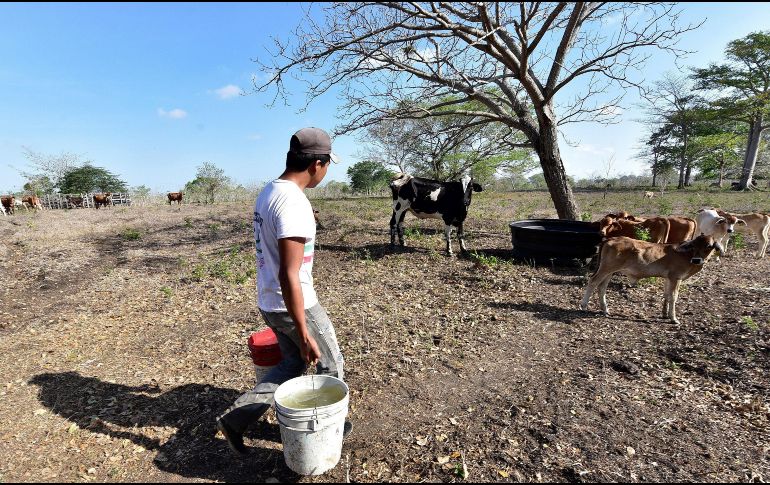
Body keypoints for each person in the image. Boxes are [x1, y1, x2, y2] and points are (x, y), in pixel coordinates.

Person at [216, 127, 351, 455]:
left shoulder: (270, 191)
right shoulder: (293, 203)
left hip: (270, 301)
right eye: (327, 165)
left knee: (292, 364)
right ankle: (322, 429)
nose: (326, 172)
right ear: (317, 164)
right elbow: (289, 274)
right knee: (331, 364)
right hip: (295, 304)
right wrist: (303, 332)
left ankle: (237, 418)